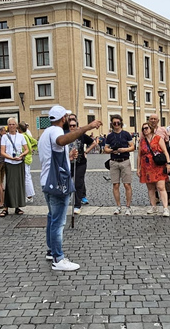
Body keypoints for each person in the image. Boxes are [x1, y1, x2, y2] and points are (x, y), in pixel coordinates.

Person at [38, 105, 102, 271]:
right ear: (63, 118)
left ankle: (51, 252)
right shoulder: (56, 132)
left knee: (52, 217)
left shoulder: (46, 132)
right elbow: (61, 141)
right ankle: (58, 259)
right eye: (67, 117)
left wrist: (68, 156)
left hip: (47, 180)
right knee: (58, 222)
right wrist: (88, 127)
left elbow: (53, 153)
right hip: (57, 182)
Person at [103, 114, 134, 216]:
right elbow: (105, 149)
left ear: (121, 123)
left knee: (127, 184)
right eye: (114, 123)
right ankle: (118, 206)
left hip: (125, 160)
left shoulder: (126, 134)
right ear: (112, 124)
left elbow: (132, 147)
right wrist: (112, 150)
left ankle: (128, 207)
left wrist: (124, 149)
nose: (116, 124)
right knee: (115, 184)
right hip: (114, 161)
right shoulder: (110, 136)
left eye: (118, 123)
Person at [138, 122, 170, 216]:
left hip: (158, 166)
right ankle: (153, 207)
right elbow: (139, 156)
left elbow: (165, 151)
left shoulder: (158, 138)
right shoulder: (142, 141)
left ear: (151, 128)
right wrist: (138, 168)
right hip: (146, 167)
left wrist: (168, 163)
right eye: (143, 129)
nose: (145, 130)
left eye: (146, 128)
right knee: (150, 188)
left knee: (161, 187)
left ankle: (165, 208)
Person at [67, 118, 96, 214]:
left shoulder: (81, 135)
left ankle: (77, 204)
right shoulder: (65, 136)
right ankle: (65, 200)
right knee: (66, 182)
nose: (72, 127)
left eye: (74, 125)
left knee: (78, 183)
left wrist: (86, 151)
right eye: (70, 125)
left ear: (77, 126)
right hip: (67, 163)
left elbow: (93, 142)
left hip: (80, 163)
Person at [0, 117, 28, 217]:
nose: (11, 126)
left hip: (19, 162)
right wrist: (11, 158)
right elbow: (2, 152)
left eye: (13, 124)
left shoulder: (21, 136)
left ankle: (17, 206)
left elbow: (26, 149)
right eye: (10, 124)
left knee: (19, 184)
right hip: (9, 163)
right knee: (10, 185)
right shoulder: (4, 137)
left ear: (16, 125)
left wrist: (21, 155)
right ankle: (5, 207)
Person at [19, 122, 38, 203]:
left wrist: (24, 152)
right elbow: (35, 142)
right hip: (28, 158)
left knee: (26, 177)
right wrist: (32, 149)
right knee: (27, 177)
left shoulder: (22, 136)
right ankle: (28, 195)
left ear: (19, 129)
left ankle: (29, 196)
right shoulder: (27, 135)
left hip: (24, 158)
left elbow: (27, 147)